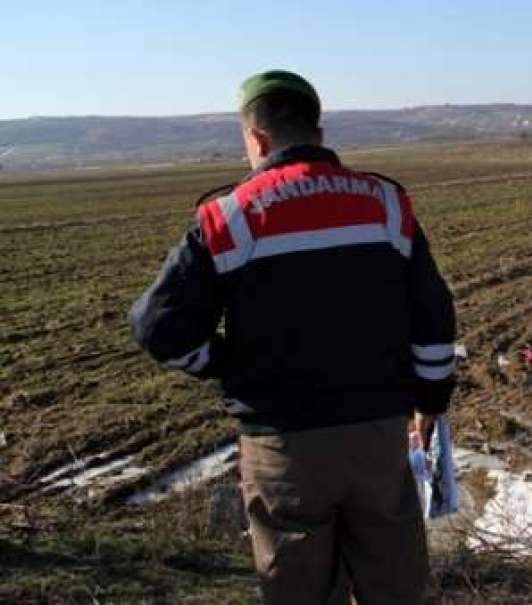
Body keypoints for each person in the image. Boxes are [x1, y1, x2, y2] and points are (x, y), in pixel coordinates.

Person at [129, 70, 456, 604]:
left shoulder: (228, 218)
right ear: (319, 134)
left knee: (298, 588)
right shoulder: (388, 204)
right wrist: (431, 401)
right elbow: (434, 319)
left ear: (257, 139)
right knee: (394, 583)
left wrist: (224, 364)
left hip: (281, 443)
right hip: (376, 436)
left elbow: (156, 325)